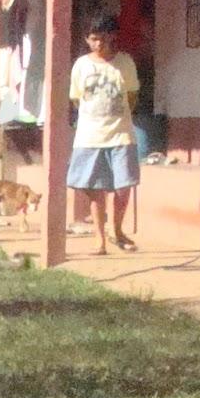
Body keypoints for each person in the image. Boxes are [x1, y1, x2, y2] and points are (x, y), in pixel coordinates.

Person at [67, 14, 140, 255]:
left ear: (112, 36)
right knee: (95, 190)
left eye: (102, 38)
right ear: (87, 39)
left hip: (121, 135)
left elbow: (132, 95)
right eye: (93, 39)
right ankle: (100, 239)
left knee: (123, 187)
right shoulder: (81, 65)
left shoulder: (125, 63)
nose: (98, 44)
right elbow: (77, 99)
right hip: (90, 137)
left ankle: (117, 230)